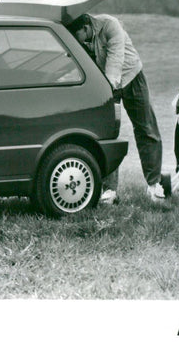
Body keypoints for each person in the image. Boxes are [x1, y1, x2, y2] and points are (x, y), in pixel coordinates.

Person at [66, 13, 165, 204]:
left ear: (85, 28)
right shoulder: (81, 38)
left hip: (131, 77)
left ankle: (154, 185)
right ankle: (109, 190)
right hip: (107, 85)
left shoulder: (110, 25)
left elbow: (115, 60)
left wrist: (107, 92)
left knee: (146, 129)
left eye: (75, 35)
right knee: (106, 134)